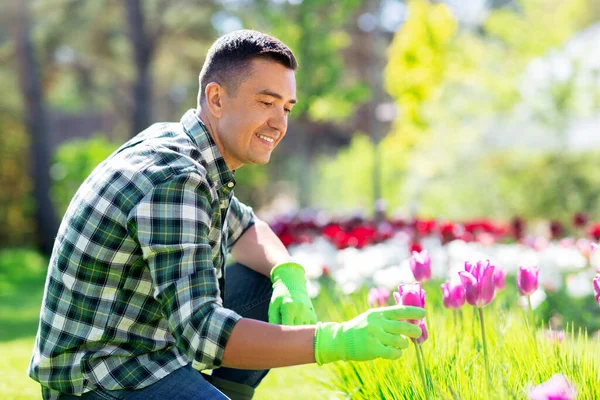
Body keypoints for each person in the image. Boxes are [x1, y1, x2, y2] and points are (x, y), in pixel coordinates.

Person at [28, 29, 425, 400]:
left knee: (261, 280)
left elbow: (246, 228)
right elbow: (203, 331)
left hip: (149, 348)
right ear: (216, 98)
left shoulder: (195, 151)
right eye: (266, 102)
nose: (279, 123)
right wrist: (335, 339)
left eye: (286, 108)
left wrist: (289, 275)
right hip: (101, 377)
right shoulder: (173, 177)